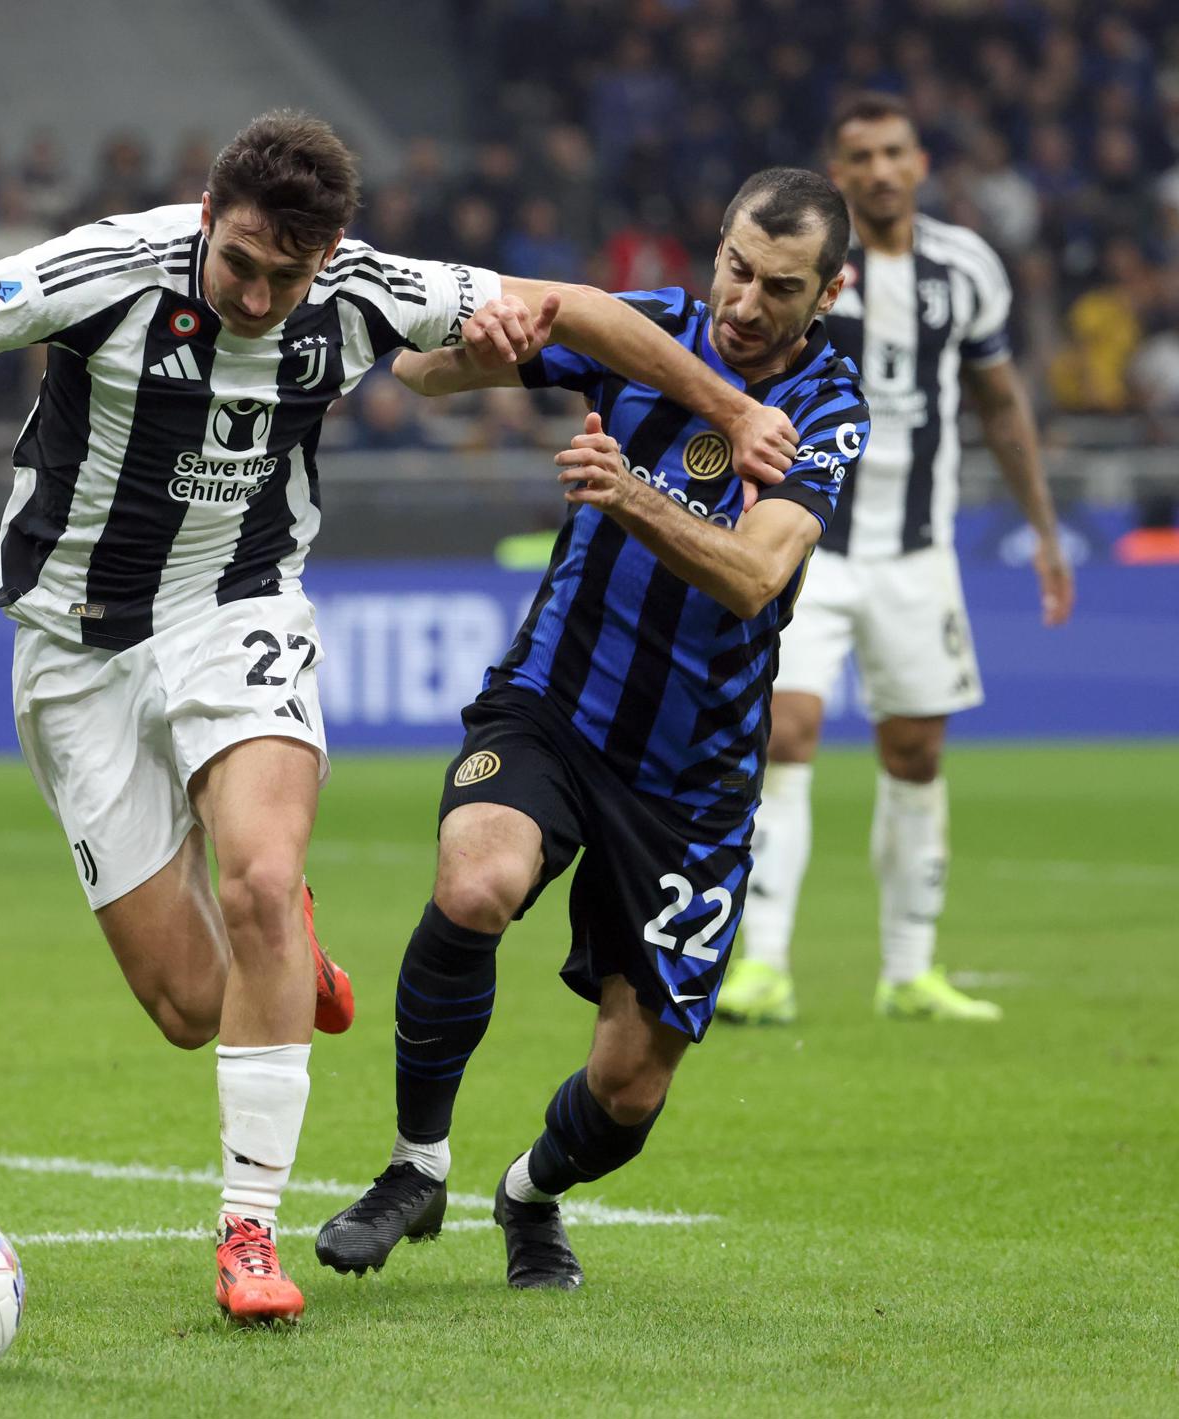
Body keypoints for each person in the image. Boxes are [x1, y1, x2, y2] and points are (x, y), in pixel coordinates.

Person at [0, 111, 799, 1324]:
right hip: (73, 651)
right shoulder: (101, 272)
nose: (258, 298)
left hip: (237, 609)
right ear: (207, 216)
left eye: (285, 277)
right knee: (193, 1004)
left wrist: (734, 411)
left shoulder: (359, 287)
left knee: (254, 875)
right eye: (241, 264)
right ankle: (285, 944)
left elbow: (571, 308)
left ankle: (248, 1231)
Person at [315, 168, 869, 1293]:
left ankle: (528, 1195)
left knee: (629, 1091)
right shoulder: (653, 330)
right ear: (714, 249)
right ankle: (415, 1165)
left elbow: (756, 578)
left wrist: (635, 498)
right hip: (553, 705)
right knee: (476, 883)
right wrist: (484, 341)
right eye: (736, 268)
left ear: (832, 292)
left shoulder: (832, 413)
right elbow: (421, 374)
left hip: (691, 779)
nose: (748, 303)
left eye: (783, 287)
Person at [719, 93, 1073, 1028]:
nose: (880, 170)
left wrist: (1042, 529)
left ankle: (909, 970)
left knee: (915, 750)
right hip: (809, 544)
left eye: (894, 152)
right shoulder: (803, 272)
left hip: (916, 554)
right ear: (837, 173)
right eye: (860, 156)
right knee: (785, 733)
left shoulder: (964, 270)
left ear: (919, 162)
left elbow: (998, 405)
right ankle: (764, 964)